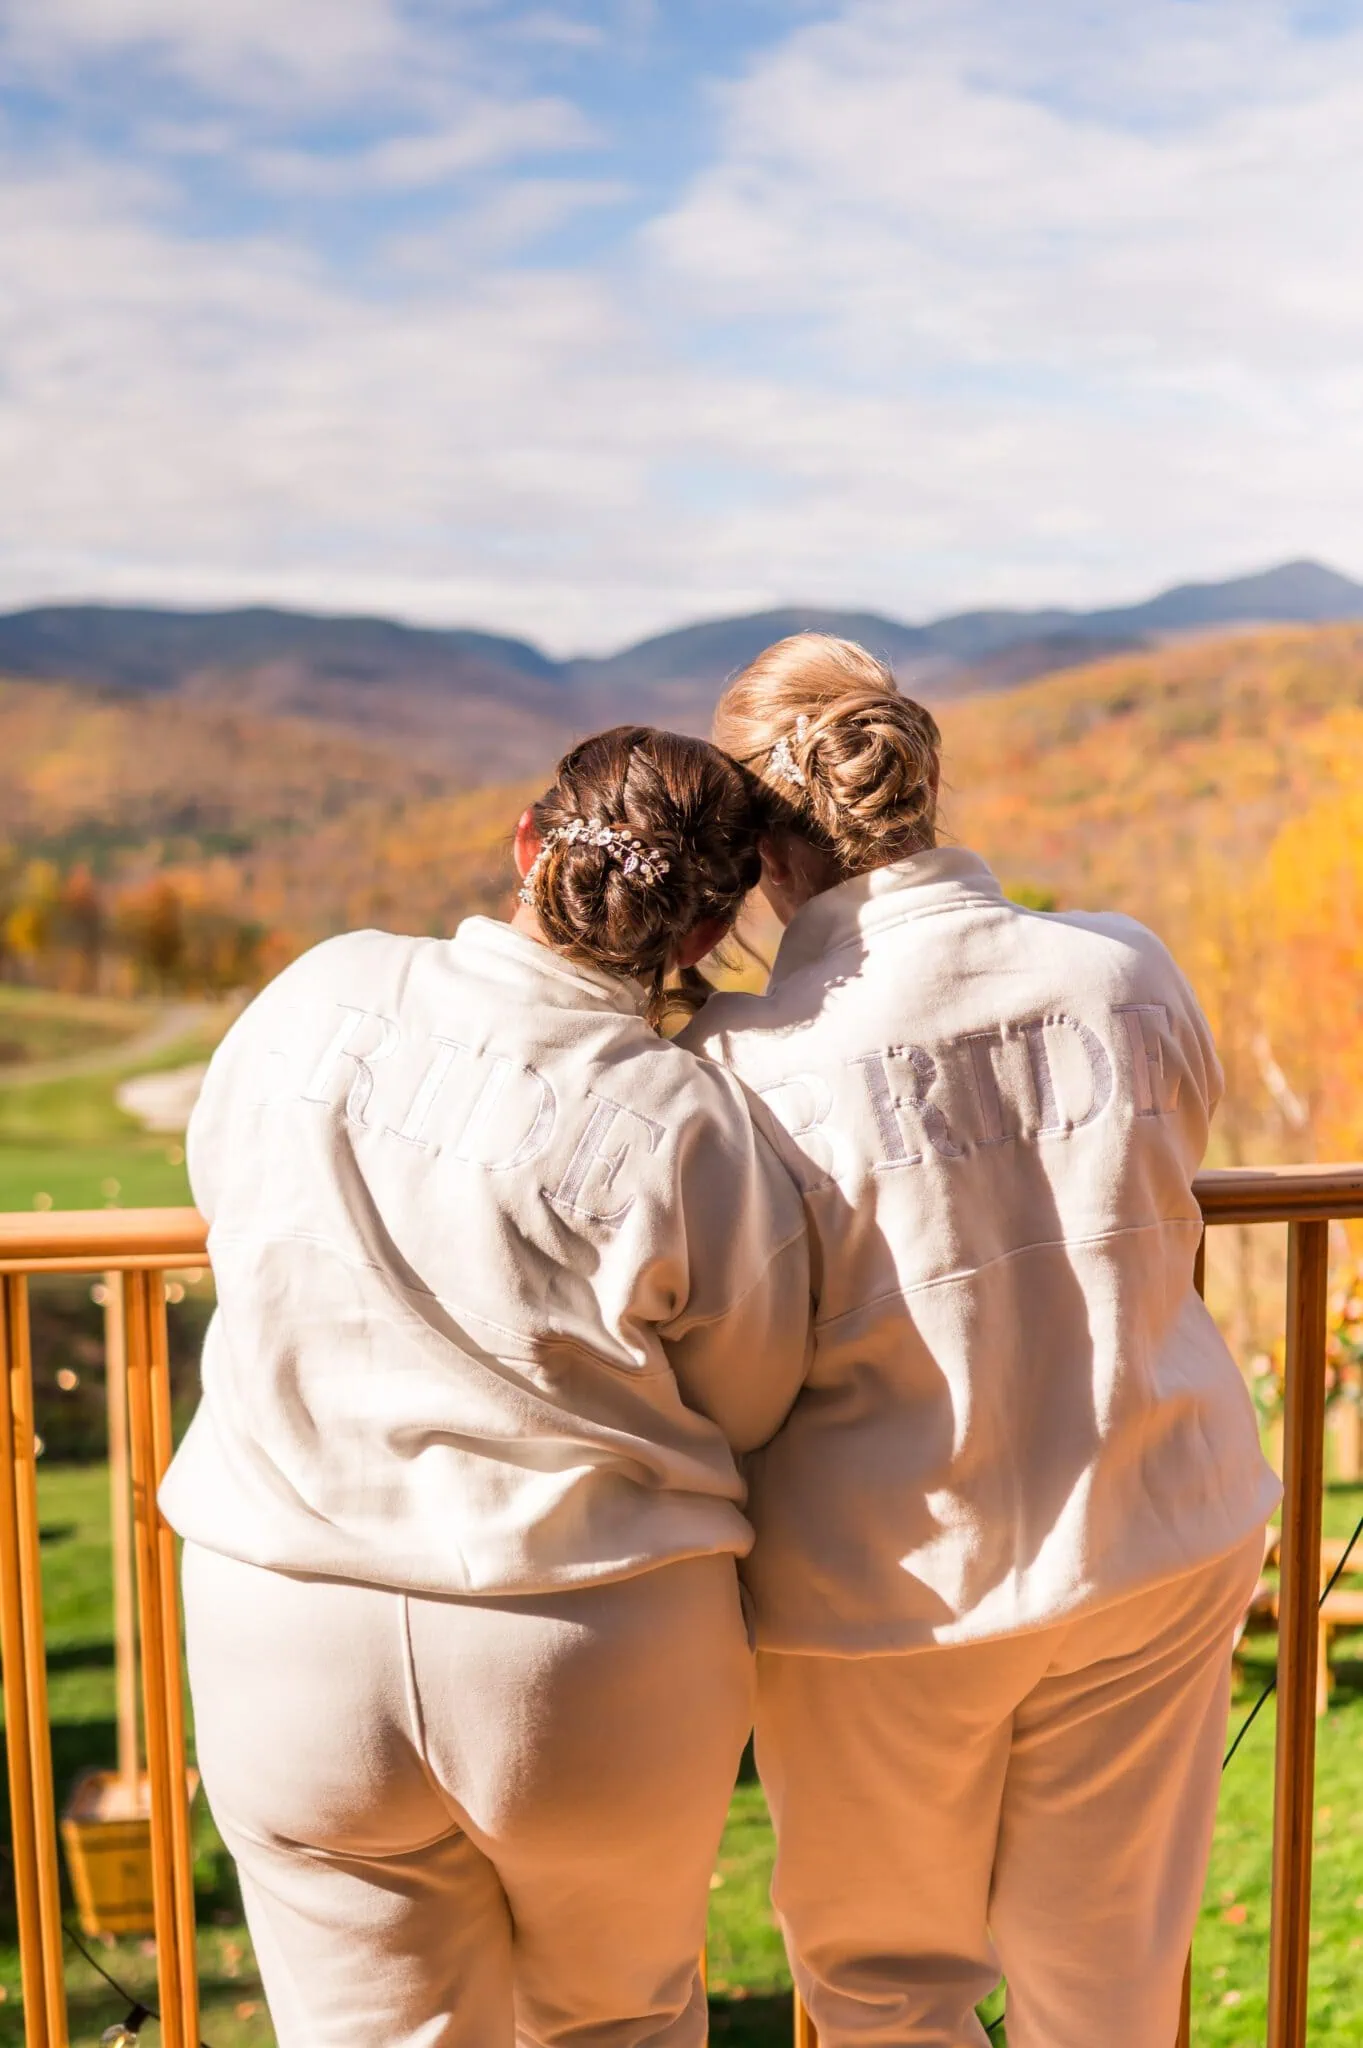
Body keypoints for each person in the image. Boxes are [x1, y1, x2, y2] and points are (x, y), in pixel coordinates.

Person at [161, 725, 813, 2048]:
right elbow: (750, 1396)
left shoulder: (322, 989)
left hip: (284, 1620)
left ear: (527, 846)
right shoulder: (689, 1119)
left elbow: (224, 1196)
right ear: (696, 941)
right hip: (589, 1648)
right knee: (618, 2021)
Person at [681, 636, 1281, 2048]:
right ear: (919, 776)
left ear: (759, 846)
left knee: (886, 1990)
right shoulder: (1120, 969)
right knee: (1111, 1980)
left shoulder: (743, 1065)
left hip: (890, 1590)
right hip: (1158, 1524)